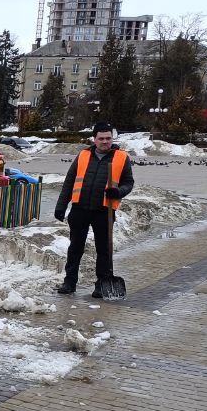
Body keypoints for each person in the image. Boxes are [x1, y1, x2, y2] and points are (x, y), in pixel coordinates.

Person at [54, 123, 135, 297]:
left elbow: (129, 183)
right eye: (101, 138)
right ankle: (69, 282)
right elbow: (69, 181)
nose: (105, 142)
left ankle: (102, 284)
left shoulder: (121, 157)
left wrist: (118, 192)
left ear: (112, 139)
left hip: (104, 212)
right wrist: (61, 206)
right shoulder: (83, 155)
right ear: (94, 139)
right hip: (79, 209)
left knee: (104, 249)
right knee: (75, 247)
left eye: (108, 138)